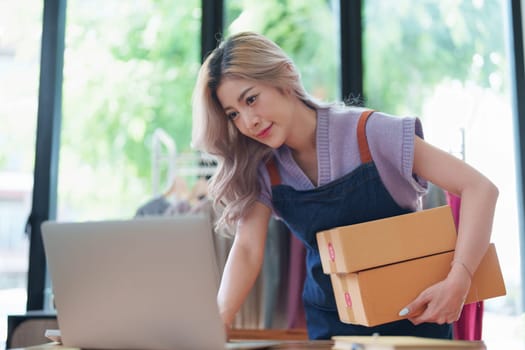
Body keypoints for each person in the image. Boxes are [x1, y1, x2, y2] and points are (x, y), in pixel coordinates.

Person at [190, 31, 498, 340]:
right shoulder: (263, 170)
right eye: (233, 114)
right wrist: (220, 318)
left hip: (416, 322)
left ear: (285, 74)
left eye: (251, 99)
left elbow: (479, 188)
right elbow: (246, 247)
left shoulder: (372, 132)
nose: (248, 122)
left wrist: (460, 278)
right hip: (331, 329)